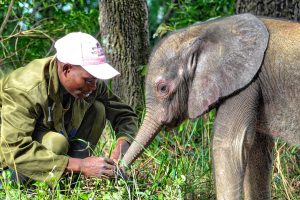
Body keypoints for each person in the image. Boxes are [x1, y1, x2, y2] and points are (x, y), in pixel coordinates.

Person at [0, 32, 138, 187]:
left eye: (96, 80)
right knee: (56, 143)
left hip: (50, 154)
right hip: (9, 160)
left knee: (98, 110)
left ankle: (69, 183)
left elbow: (125, 115)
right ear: (66, 69)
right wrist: (81, 165)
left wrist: (119, 154)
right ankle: (27, 189)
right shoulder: (25, 89)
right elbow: (15, 151)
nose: (94, 87)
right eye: (89, 80)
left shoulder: (89, 84)